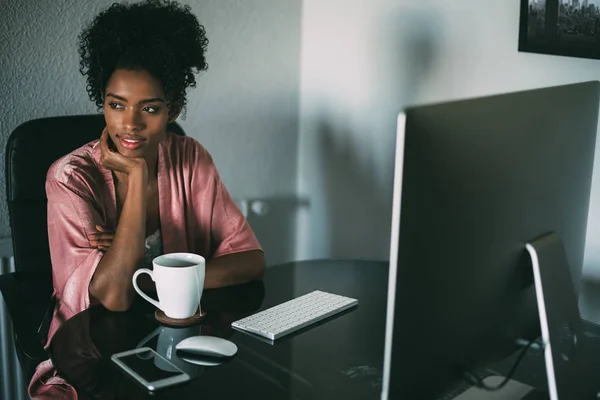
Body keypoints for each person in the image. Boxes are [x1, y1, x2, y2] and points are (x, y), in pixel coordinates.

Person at [29, 1, 265, 398]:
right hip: (89, 354)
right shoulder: (70, 177)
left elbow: (251, 259)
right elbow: (115, 299)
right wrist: (137, 179)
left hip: (174, 338)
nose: (130, 124)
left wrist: (162, 281)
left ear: (173, 107)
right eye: (115, 104)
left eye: (150, 109)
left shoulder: (190, 158)